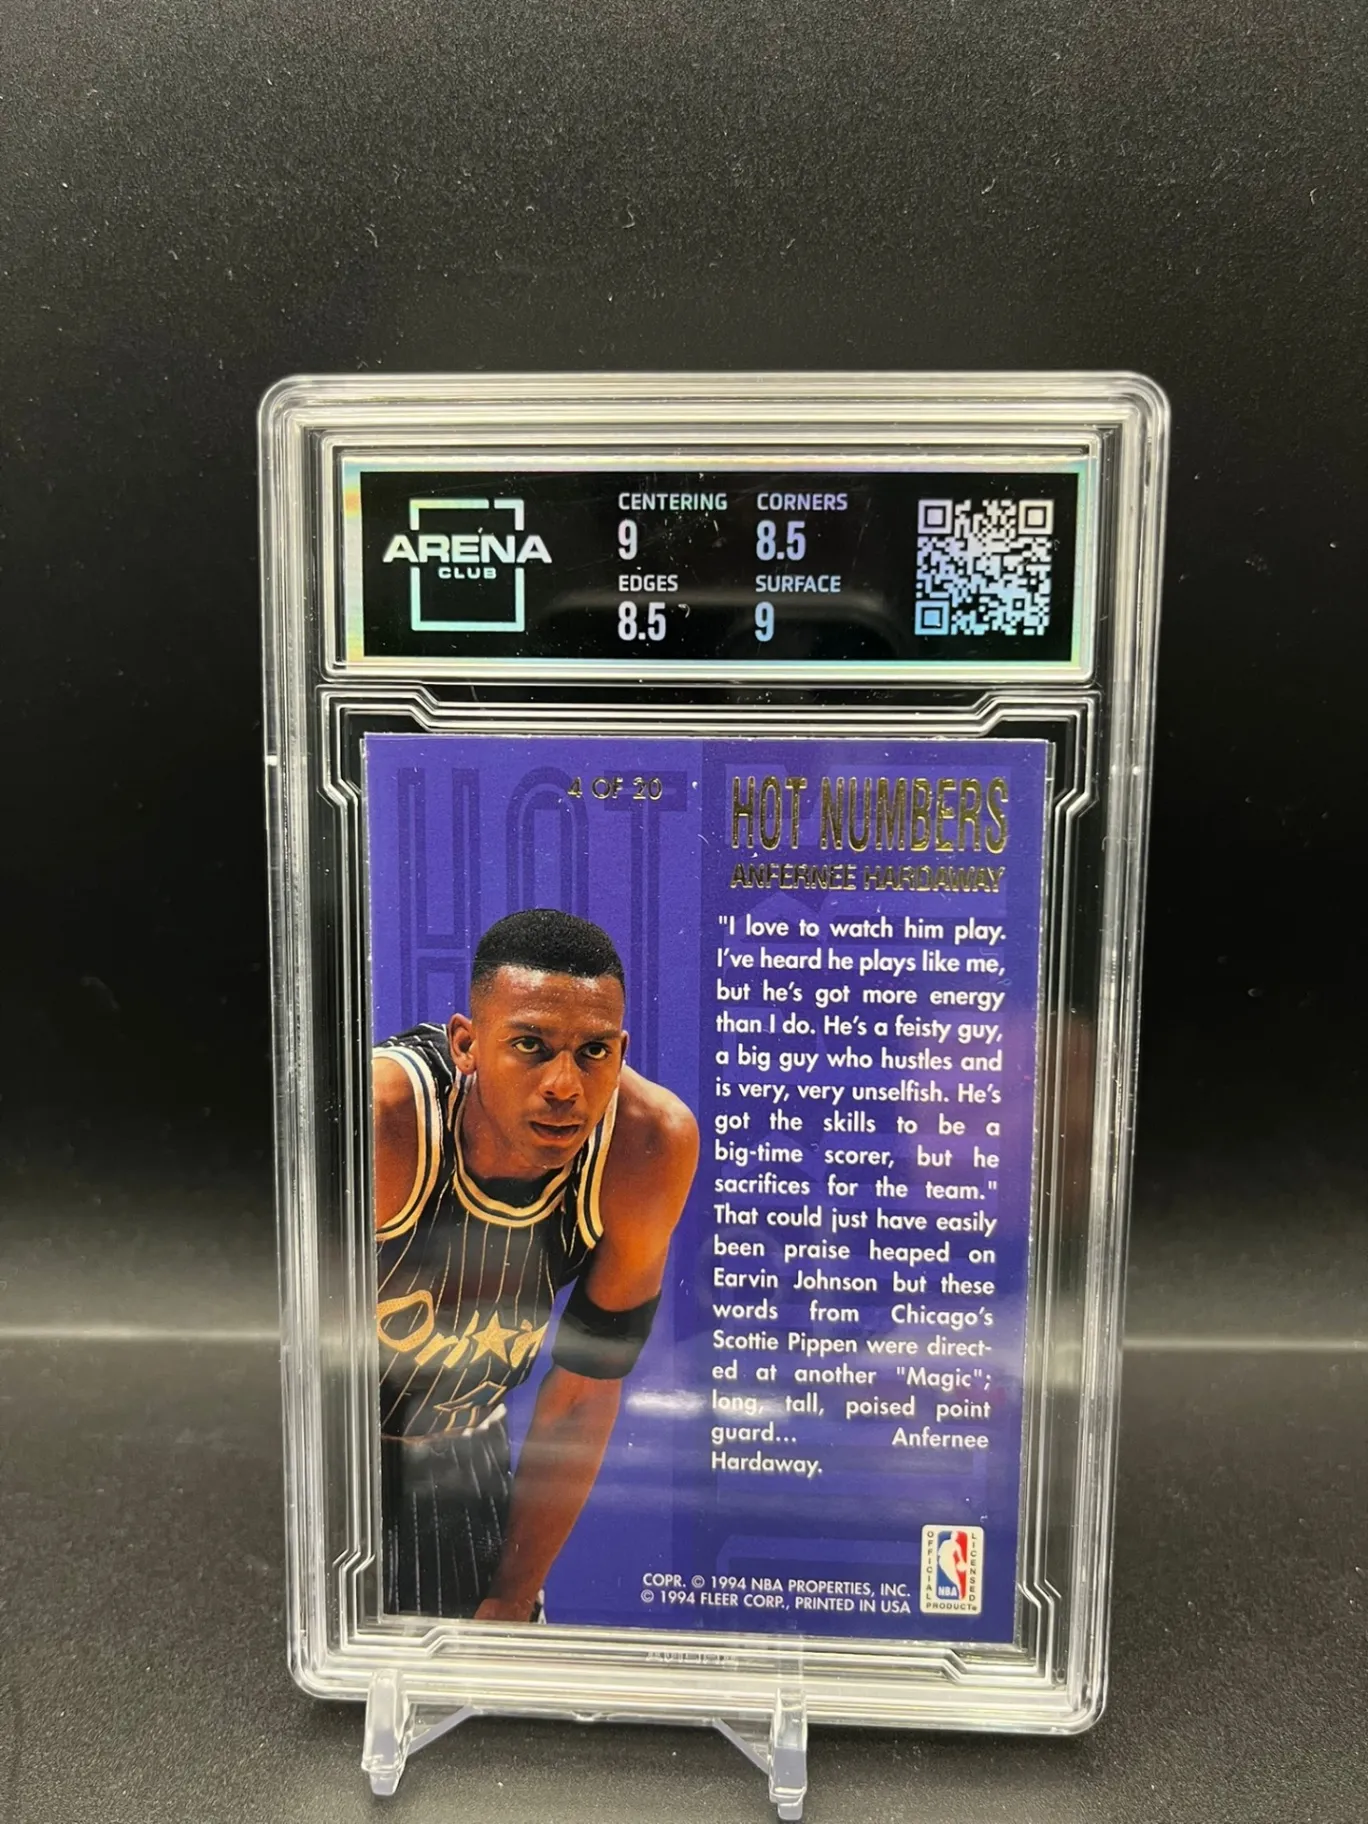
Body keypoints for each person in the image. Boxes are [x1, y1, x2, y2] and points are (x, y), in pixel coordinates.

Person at [372, 907, 699, 1621]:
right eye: (530, 1045)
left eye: (593, 1052)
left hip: (465, 1446)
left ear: (621, 1050)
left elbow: (585, 1389)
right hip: (324, 1452)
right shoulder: (386, 1122)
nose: (564, 1085)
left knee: (492, 1660)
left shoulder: (646, 1144)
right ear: (466, 1044)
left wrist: (514, 1595)